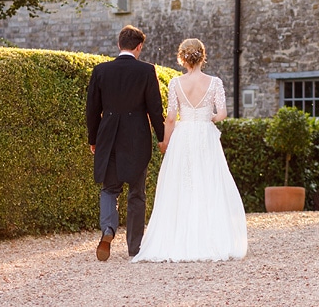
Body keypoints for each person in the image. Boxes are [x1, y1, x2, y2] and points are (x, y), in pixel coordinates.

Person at [131, 38, 248, 262]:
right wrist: (209, 118)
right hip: (205, 135)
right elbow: (222, 113)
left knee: (181, 185)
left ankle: (178, 237)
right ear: (202, 56)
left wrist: (165, 142)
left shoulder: (175, 83)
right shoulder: (214, 82)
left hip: (183, 136)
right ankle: (210, 237)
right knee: (207, 182)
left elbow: (171, 117)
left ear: (182, 58)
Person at [85, 24, 166, 261]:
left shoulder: (101, 71)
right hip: (136, 138)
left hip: (108, 136)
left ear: (119, 45)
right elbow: (155, 109)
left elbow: (92, 110)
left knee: (110, 189)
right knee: (136, 193)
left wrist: (93, 139)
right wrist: (161, 138)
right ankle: (134, 248)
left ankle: (108, 230)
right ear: (139, 46)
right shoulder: (147, 71)